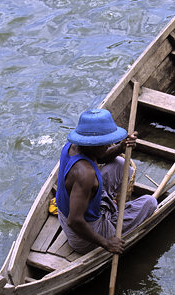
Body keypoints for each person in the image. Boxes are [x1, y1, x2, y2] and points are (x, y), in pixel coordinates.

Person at [56, 108, 157, 255]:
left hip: (72, 213)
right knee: (150, 203)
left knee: (121, 165)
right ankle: (108, 218)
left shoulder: (73, 146)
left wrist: (120, 147)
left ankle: (108, 208)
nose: (109, 146)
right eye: (105, 144)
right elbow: (74, 221)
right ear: (93, 145)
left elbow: (101, 157)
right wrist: (107, 243)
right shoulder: (85, 174)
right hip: (82, 236)